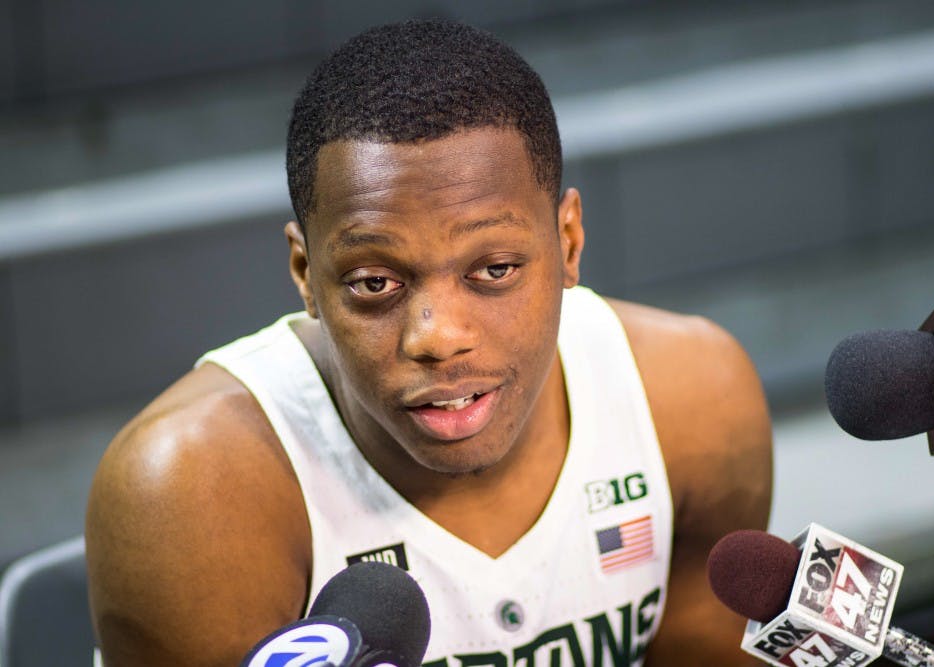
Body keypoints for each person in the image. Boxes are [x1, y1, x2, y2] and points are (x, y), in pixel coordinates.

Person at [85, 19, 775, 666]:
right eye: (375, 282)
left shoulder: (692, 403)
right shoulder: (190, 489)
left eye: (495, 270)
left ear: (567, 242)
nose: (439, 337)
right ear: (306, 273)